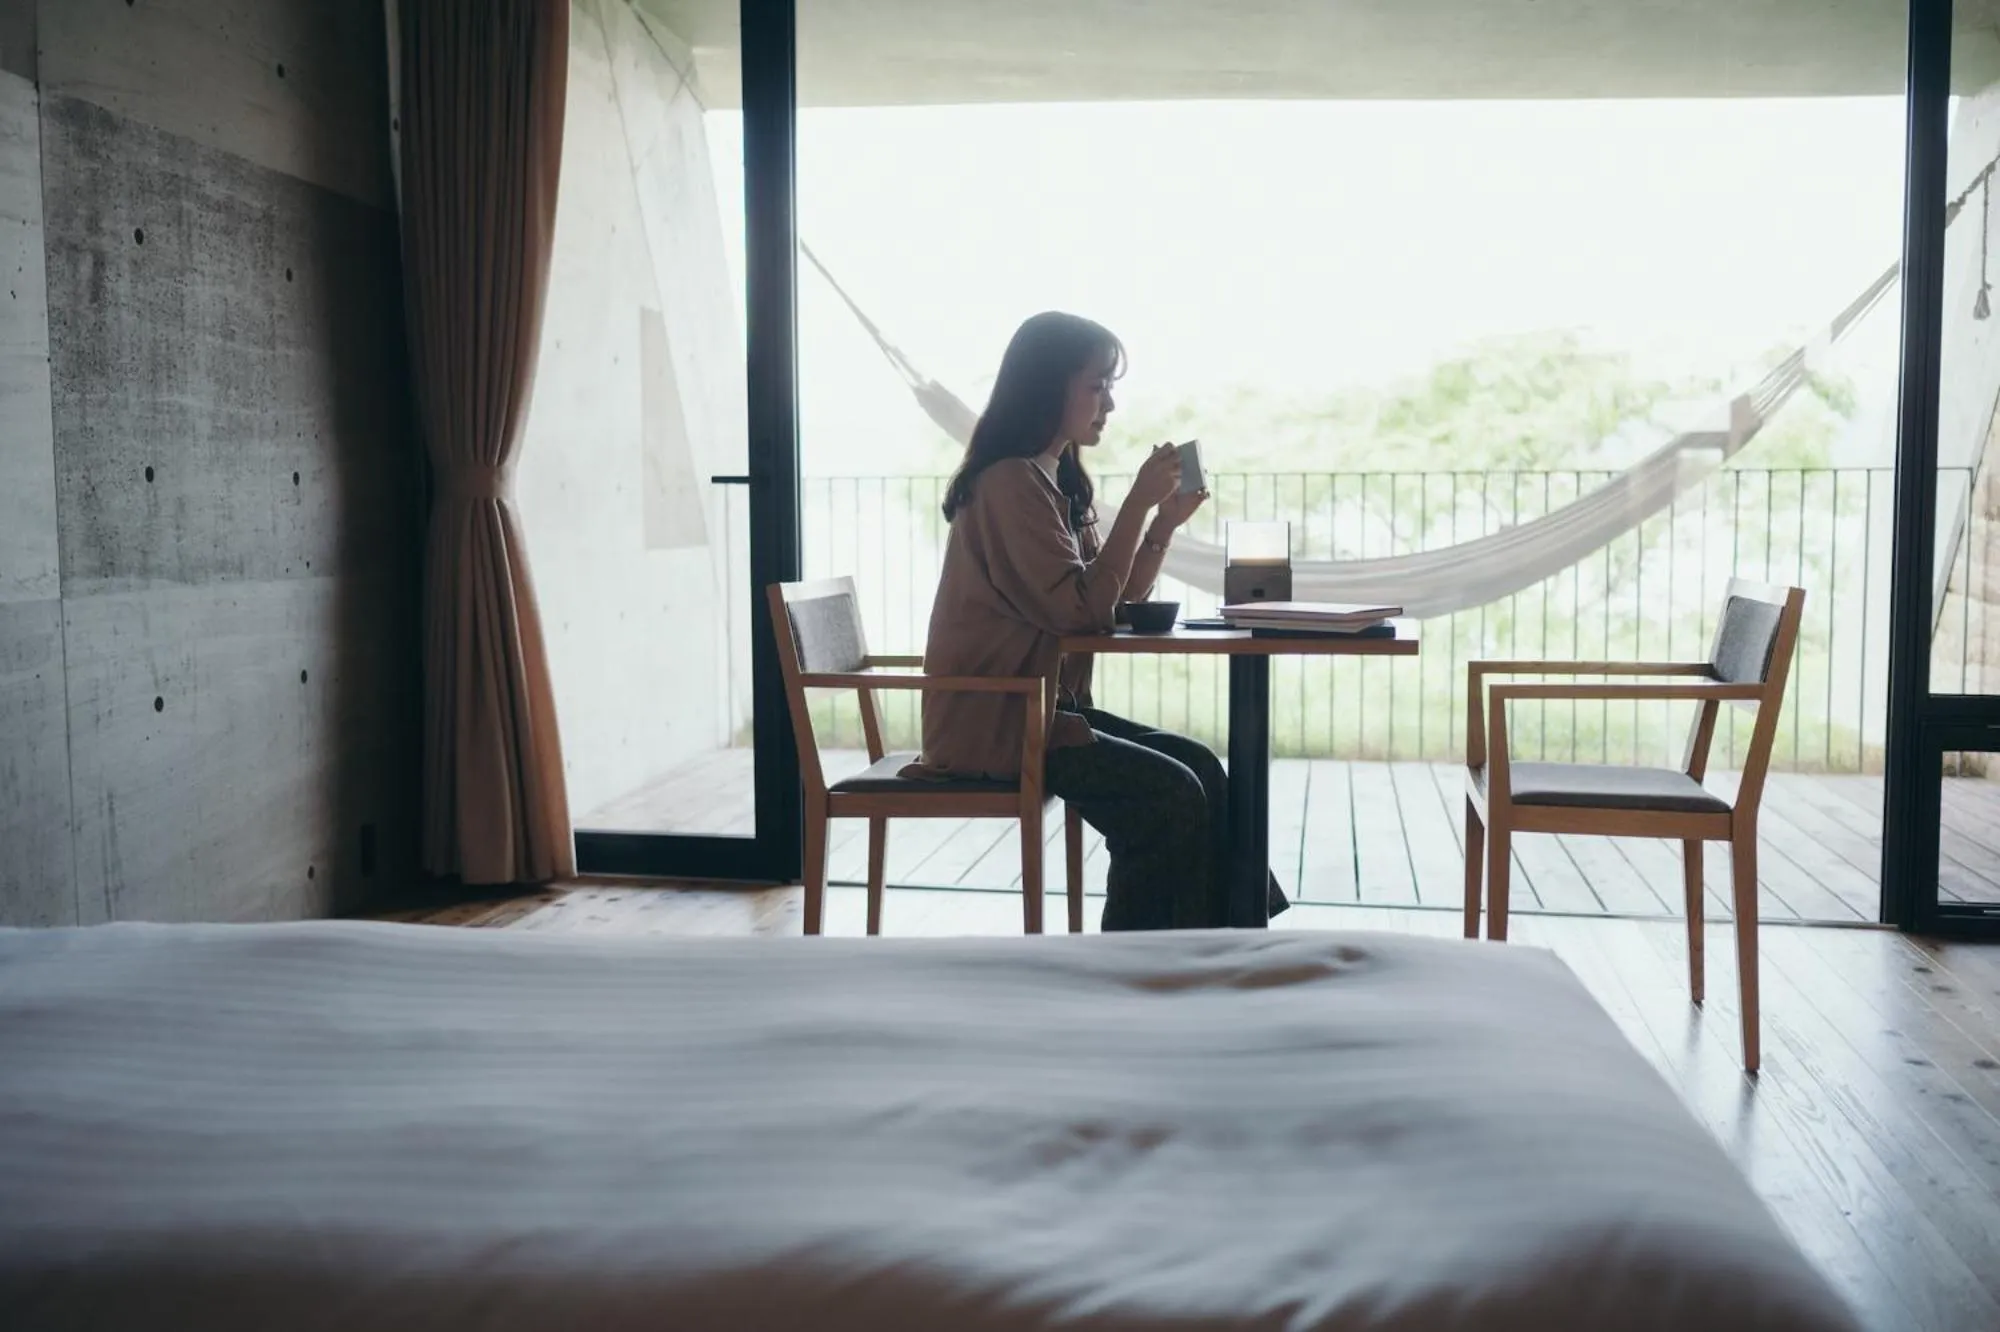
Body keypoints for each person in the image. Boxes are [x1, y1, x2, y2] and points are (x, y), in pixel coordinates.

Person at [903, 311, 1289, 930]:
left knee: (1202, 767)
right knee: (1168, 796)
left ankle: (1223, 944)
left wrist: (1160, 524)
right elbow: (1081, 610)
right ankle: (1136, 966)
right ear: (1048, 385)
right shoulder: (1008, 483)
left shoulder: (1052, 479)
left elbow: (1109, 605)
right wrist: (1136, 502)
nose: (1109, 403)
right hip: (1000, 723)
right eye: (1097, 385)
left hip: (1050, 711)